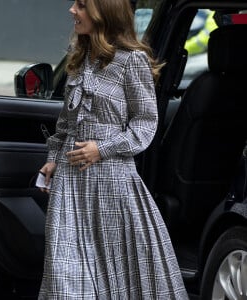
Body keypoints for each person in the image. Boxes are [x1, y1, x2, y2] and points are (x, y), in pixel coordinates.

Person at [38, 0, 189, 298]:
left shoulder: (132, 61)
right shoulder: (79, 57)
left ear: (103, 12)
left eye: (81, 5)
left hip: (112, 184)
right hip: (70, 183)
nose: (71, 10)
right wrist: (53, 159)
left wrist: (102, 149)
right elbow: (67, 122)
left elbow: (145, 124)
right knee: (64, 274)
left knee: (120, 278)